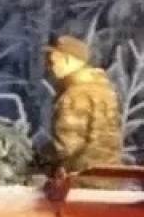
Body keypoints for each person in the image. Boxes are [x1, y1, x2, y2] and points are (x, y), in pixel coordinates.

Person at [37, 34, 124, 189]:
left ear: (69, 60)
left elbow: (66, 146)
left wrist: (38, 161)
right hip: (109, 178)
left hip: (81, 182)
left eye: (54, 58)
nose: (51, 65)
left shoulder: (75, 94)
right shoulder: (104, 89)